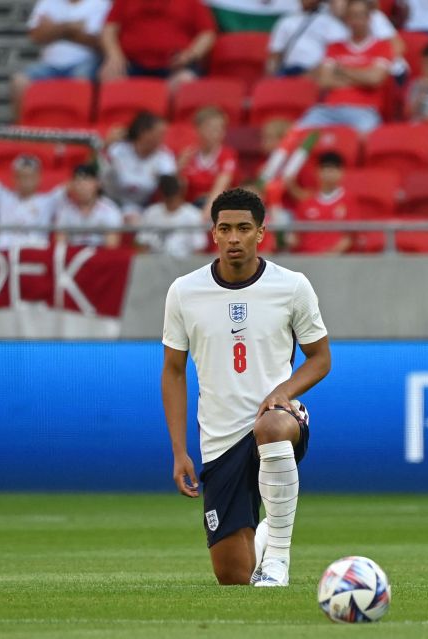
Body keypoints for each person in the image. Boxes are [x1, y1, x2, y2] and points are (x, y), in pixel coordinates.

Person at [161, 188, 331, 588]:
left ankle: (279, 560)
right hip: (219, 439)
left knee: (270, 428)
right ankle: (269, 527)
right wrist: (179, 451)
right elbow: (172, 370)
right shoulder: (184, 291)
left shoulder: (291, 286)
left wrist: (284, 393)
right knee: (234, 577)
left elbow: (321, 358)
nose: (233, 237)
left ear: (261, 233)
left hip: (278, 418)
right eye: (225, 229)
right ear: (213, 233)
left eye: (243, 228)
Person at [296, 0, 393, 133]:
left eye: (360, 15)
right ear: (346, 19)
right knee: (299, 132)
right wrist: (362, 78)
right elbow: (325, 81)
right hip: (329, 110)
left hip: (364, 110)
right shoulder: (334, 47)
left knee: (366, 137)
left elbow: (374, 79)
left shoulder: (382, 46)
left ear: (369, 18)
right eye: (352, 16)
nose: (356, 20)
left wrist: (341, 71)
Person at [11, 0, 110, 118]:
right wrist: (71, 28)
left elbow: (97, 42)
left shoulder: (100, 3)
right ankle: (21, 131)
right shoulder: (47, 2)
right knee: (19, 82)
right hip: (49, 66)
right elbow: (36, 36)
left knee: (81, 81)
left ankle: (79, 128)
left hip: (84, 64)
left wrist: (54, 29)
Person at [99, 0, 216, 91]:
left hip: (174, 66)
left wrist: (190, 54)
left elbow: (207, 33)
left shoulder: (190, 2)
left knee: (185, 83)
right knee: (109, 77)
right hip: (131, 63)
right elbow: (109, 28)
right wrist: (114, 55)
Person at [103, 111, 177, 221]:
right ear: (144, 132)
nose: (162, 139)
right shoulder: (118, 149)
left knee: (134, 219)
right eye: (159, 134)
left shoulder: (164, 158)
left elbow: (171, 188)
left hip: (142, 207)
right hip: (109, 201)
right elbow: (95, 170)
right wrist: (105, 145)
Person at [285, 151, 355, 254]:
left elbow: (349, 238)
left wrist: (328, 256)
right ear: (317, 172)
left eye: (333, 169)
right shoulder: (306, 202)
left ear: (341, 172)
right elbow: (296, 237)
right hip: (306, 260)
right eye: (325, 169)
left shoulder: (349, 201)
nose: (328, 173)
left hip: (336, 261)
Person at [178, 107, 238, 216]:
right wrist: (178, 169)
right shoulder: (187, 155)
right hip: (189, 209)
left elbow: (220, 189)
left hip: (216, 209)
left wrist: (204, 216)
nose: (218, 133)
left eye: (221, 129)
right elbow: (178, 192)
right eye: (212, 128)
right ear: (198, 130)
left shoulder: (227, 155)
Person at [267, 0, 347, 77]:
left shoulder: (331, 22)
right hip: (289, 72)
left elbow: (338, 53)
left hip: (317, 74)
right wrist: (272, 77)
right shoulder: (286, 21)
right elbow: (275, 54)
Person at [138, 175, 207, 258]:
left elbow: (198, 249)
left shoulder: (193, 215)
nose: (171, 201)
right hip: (155, 262)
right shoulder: (151, 212)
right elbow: (143, 245)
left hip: (184, 264)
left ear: (181, 192)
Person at [55, 164, 122, 247]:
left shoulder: (110, 210)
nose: (82, 187)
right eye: (78, 182)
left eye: (86, 182)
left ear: (98, 183)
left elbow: (111, 246)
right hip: (73, 256)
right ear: (72, 185)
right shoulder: (65, 210)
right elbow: (60, 245)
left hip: (100, 255)